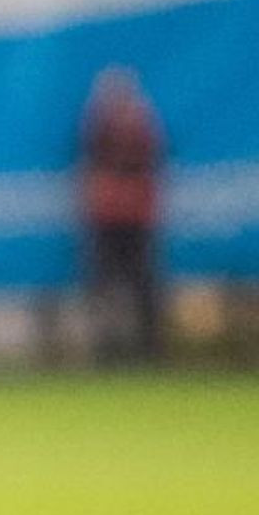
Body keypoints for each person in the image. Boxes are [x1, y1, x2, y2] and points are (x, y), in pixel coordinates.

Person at [77, 67, 166, 365]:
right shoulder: (97, 129)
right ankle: (108, 348)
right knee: (105, 283)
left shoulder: (144, 128)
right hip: (107, 215)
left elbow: (154, 164)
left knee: (142, 282)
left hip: (137, 216)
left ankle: (148, 347)